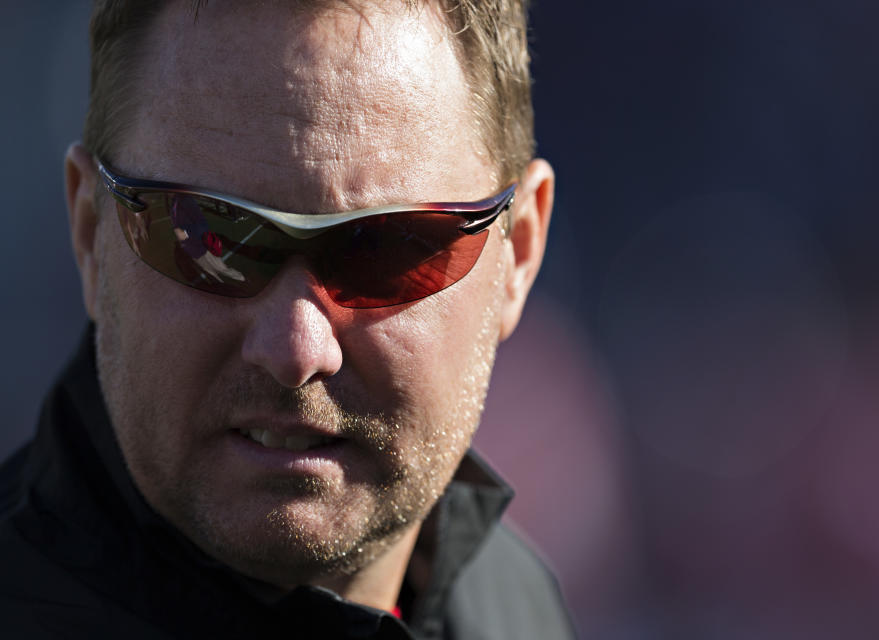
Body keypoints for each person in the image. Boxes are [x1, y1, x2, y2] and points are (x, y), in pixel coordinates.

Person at [0, 0, 573, 637]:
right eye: (205, 236)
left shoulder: (515, 605)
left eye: (387, 249)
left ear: (519, 252)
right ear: (90, 237)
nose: (296, 348)